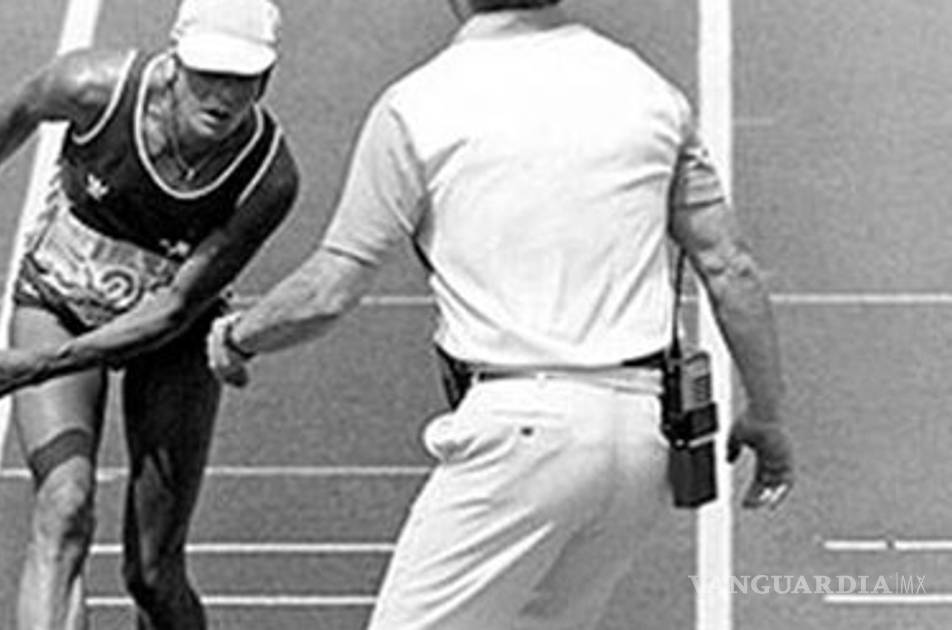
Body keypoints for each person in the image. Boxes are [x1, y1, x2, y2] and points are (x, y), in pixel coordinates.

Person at [206, 0, 795, 628]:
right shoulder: (650, 93)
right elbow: (729, 268)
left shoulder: (416, 106)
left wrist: (238, 336)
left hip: (520, 436)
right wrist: (766, 414)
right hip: (642, 441)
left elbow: (330, 289)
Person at [0, 0, 298, 627]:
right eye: (209, 73)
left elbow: (173, 309)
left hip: (170, 336)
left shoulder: (269, 179)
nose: (222, 96)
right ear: (175, 62)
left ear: (266, 79)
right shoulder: (93, 86)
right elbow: (20, 108)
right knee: (63, 506)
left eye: (242, 79)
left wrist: (28, 366)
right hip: (59, 300)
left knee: (152, 573)